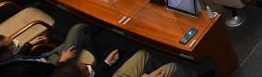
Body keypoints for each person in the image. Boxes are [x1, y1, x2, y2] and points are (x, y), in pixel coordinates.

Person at [0, 24, 110, 77]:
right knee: (78, 29)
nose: (13, 40)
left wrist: (29, 45)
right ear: (4, 53)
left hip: (43, 58)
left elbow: (15, 58)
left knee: (82, 39)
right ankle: (98, 28)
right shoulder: (21, 71)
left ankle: (91, 41)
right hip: (53, 66)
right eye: (10, 43)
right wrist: (63, 61)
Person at [48, 49, 193, 77]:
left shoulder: (61, 72)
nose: (87, 66)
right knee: (171, 68)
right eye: (86, 70)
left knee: (143, 55)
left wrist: (106, 63)